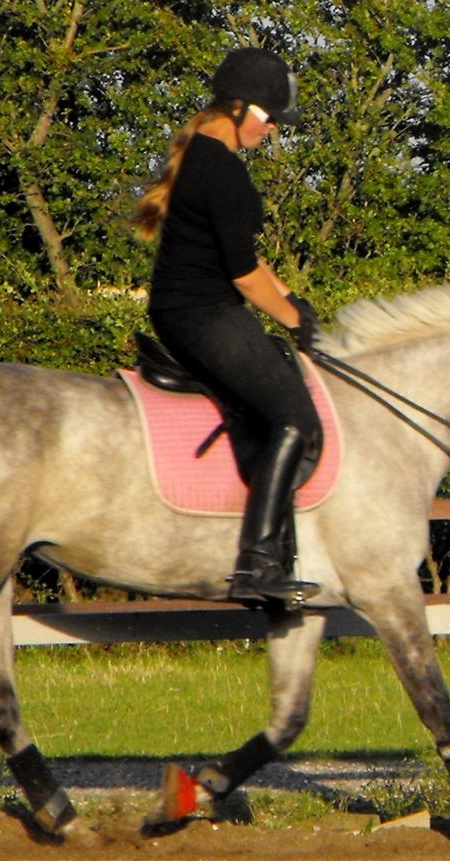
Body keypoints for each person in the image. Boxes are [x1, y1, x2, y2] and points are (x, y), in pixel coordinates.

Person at [132, 47, 324, 607]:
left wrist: (293, 299)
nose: (271, 131)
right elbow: (242, 276)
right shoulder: (223, 170)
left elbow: (241, 256)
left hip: (183, 309)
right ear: (238, 108)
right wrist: (292, 320)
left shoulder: (204, 155)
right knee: (294, 417)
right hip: (204, 313)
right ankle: (259, 563)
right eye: (268, 118)